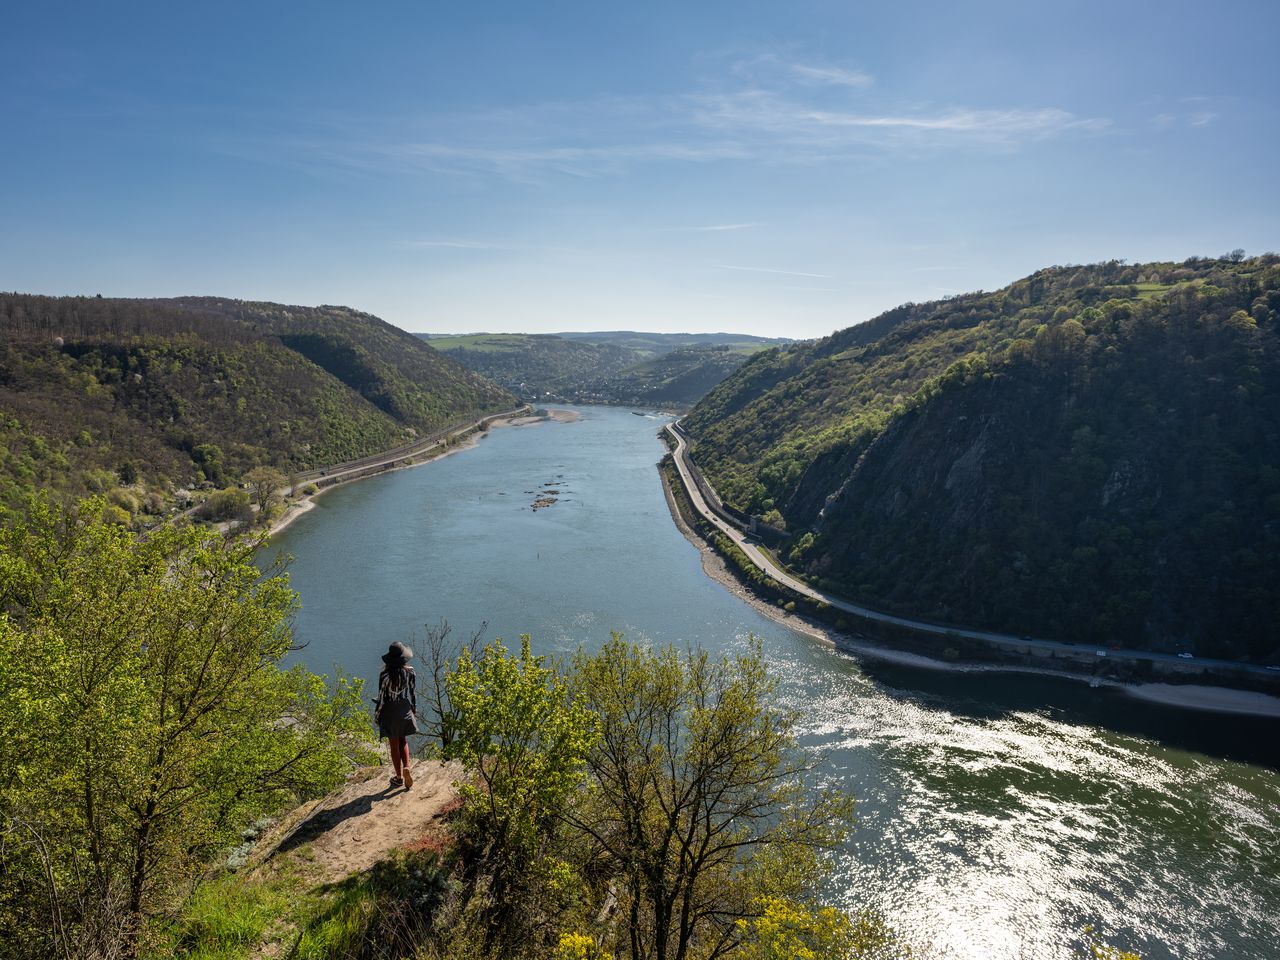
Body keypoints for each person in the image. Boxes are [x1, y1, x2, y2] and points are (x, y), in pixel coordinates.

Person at [374, 641, 419, 788]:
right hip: (404, 708)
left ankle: (399, 777)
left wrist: (377, 715)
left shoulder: (385, 675)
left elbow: (381, 698)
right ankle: (407, 767)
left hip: (390, 711)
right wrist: (413, 710)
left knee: (393, 745)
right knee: (403, 740)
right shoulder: (410, 672)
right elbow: (412, 694)